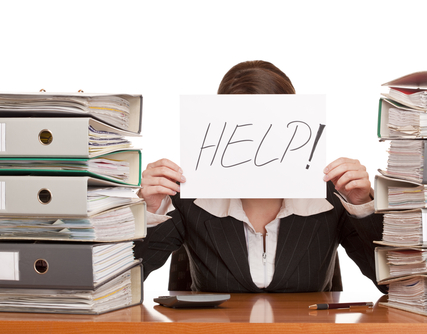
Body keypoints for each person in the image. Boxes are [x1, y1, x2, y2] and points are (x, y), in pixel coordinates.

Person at [134, 60, 386, 293]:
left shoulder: (330, 199)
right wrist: (150, 211)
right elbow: (123, 282)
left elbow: (390, 284)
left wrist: (361, 205)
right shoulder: (189, 198)